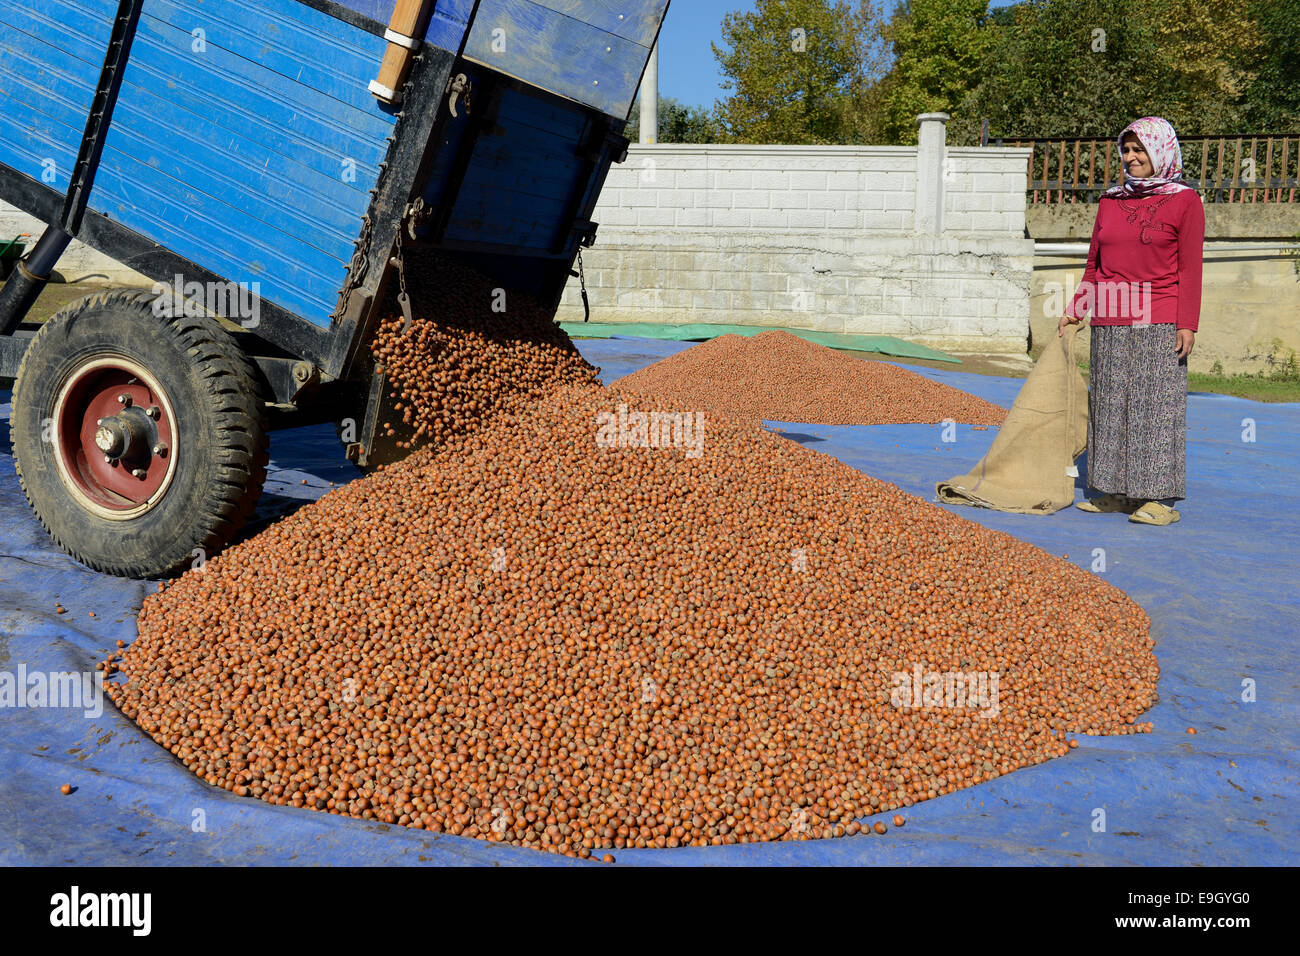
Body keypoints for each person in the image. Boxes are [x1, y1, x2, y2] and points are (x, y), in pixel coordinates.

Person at [1058, 116, 1205, 526]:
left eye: (1140, 149)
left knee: (1153, 407)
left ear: (1161, 152)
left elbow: (1190, 269)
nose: (1131, 157)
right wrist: (1076, 307)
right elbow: (1095, 263)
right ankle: (1116, 493)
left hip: (1158, 317)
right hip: (1109, 315)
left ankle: (1159, 499)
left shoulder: (1185, 201)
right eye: (1126, 150)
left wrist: (1187, 322)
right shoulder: (1110, 201)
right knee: (1109, 406)